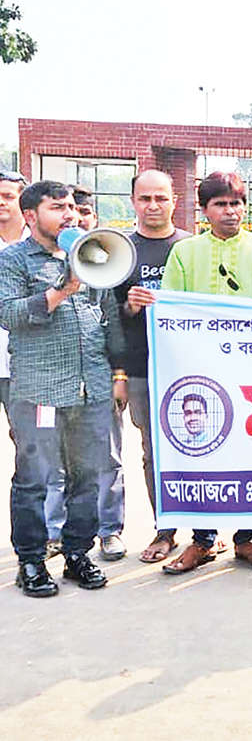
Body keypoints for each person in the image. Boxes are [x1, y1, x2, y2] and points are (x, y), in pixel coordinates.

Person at [159, 171, 252, 575]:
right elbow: (172, 307)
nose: (230, 211)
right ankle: (202, 540)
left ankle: (246, 538)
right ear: (204, 210)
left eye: (236, 203)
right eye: (220, 204)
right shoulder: (185, 252)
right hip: (198, 371)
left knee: (250, 449)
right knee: (201, 450)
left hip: (251, 369)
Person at [0, 181, 123, 597]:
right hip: (39, 390)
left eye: (71, 206)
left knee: (87, 477)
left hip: (92, 388)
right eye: (57, 207)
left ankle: (77, 553)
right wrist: (60, 291)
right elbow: (9, 315)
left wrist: (117, 375)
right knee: (34, 479)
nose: (69, 214)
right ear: (31, 216)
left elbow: (108, 317)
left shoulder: (92, 253)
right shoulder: (13, 260)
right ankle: (32, 561)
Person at [45, 184, 127, 561]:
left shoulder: (104, 261)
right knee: (53, 457)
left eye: (83, 213)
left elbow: (114, 323)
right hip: (51, 379)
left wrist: (119, 374)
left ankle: (109, 530)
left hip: (97, 377)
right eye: (67, 211)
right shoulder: (37, 262)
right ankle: (54, 531)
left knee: (106, 457)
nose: (75, 219)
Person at [113, 169, 191, 563]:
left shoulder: (191, 247)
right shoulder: (120, 250)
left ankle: (205, 532)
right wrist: (130, 307)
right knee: (154, 451)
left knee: (203, 447)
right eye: (145, 198)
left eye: (161, 198)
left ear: (174, 200)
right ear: (133, 202)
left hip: (192, 366)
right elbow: (107, 317)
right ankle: (166, 528)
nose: (153, 206)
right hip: (143, 368)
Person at [0, 169, 30, 433]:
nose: (1, 202)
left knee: (28, 439)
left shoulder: (42, 244)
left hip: (25, 366)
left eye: (8, 196)